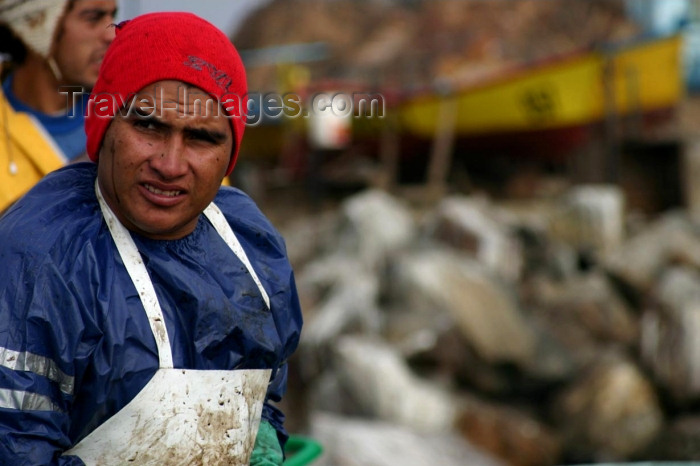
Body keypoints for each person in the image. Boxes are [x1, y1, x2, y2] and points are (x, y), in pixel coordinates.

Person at [0, 11, 303, 466]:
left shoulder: (248, 244)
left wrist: (260, 440)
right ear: (104, 129)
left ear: (229, 154)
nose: (170, 163)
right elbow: (16, 444)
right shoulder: (40, 257)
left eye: (201, 138)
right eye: (148, 126)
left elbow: (264, 399)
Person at [0, 0, 116, 213]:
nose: (111, 35)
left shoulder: (127, 116)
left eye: (112, 16)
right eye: (93, 18)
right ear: (37, 24)